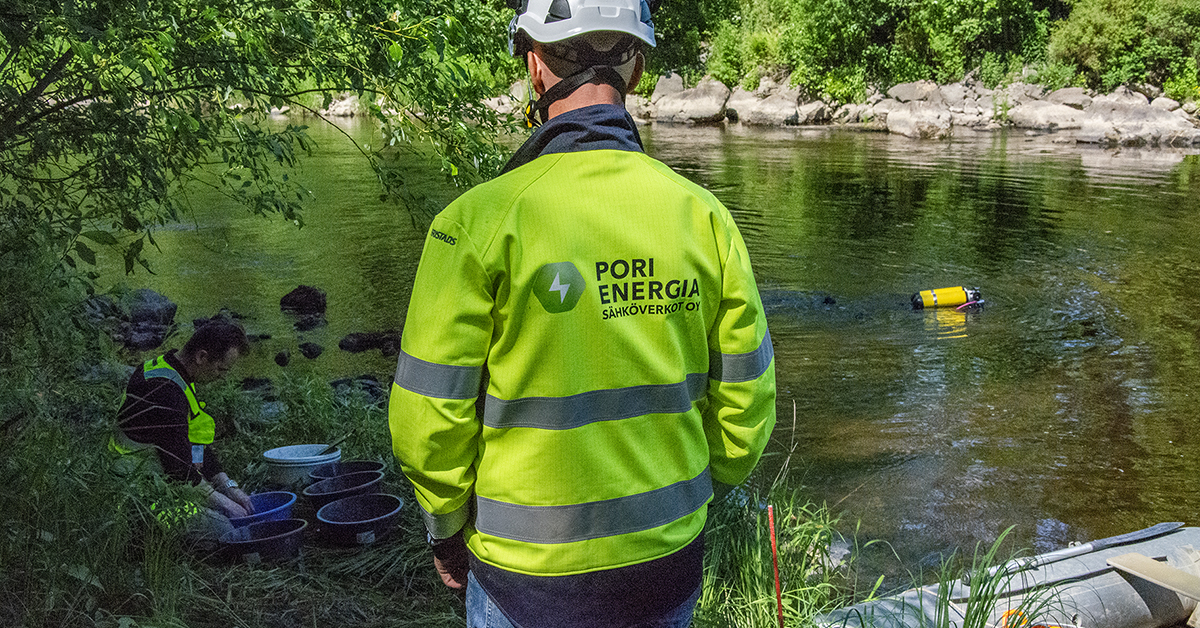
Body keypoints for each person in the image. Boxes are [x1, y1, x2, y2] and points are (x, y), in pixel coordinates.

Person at [388, 1, 776, 626]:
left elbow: (427, 418)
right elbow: (747, 405)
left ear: (534, 69)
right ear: (638, 68)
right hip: (666, 566)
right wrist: (697, 497)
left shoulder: (473, 224)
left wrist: (445, 527)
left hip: (524, 582)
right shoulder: (705, 219)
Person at [114, 320, 255, 540]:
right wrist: (226, 504)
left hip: (158, 477)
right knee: (226, 530)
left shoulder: (171, 370)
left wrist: (229, 487)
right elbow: (180, 472)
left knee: (225, 508)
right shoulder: (165, 393)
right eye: (221, 369)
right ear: (201, 357)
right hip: (139, 494)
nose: (222, 376)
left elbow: (196, 446)